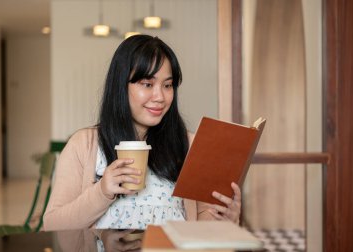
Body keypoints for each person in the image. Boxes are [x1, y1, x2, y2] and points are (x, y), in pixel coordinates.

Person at [43, 35, 241, 231]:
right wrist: (102, 191)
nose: (160, 97)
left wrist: (225, 221)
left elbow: (203, 227)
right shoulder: (84, 144)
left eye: (167, 85)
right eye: (147, 84)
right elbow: (53, 226)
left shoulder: (190, 145)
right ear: (121, 85)